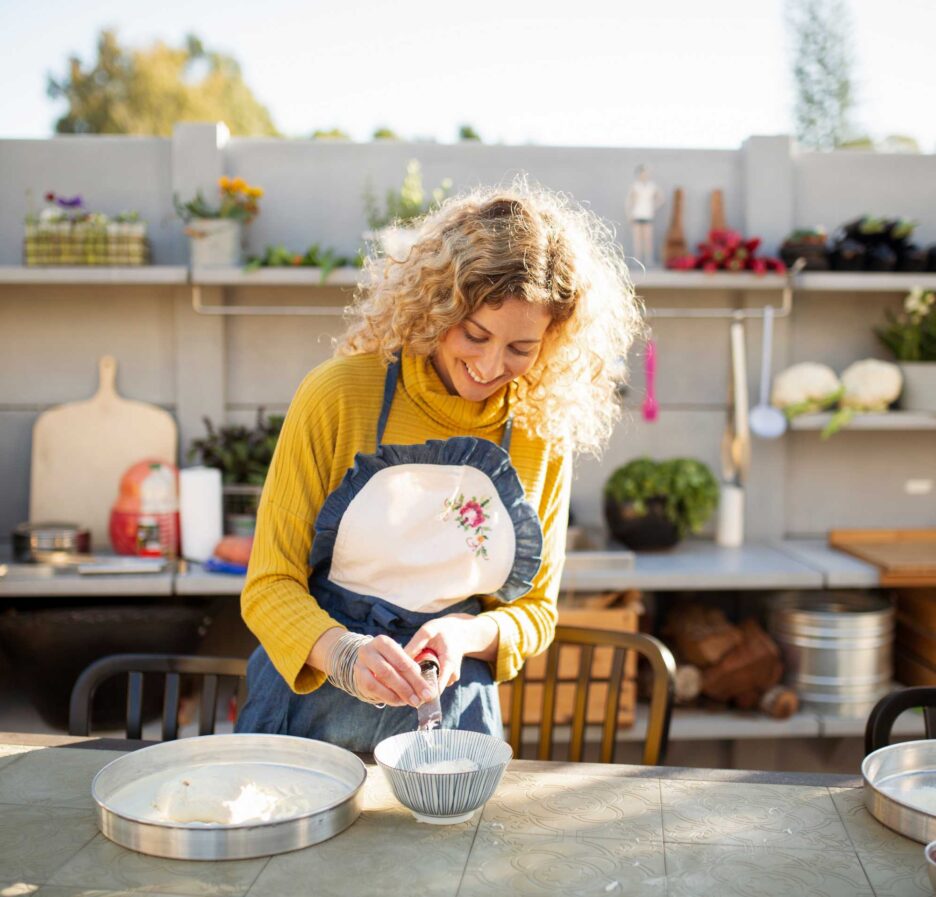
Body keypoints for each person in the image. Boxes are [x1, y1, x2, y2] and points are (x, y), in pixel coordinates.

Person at [234, 180, 643, 752]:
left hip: (453, 718)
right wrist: (345, 653)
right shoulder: (338, 395)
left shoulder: (540, 431)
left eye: (520, 349)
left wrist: (467, 632)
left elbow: (535, 613)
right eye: (474, 334)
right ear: (437, 305)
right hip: (310, 713)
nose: (489, 365)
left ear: (551, 342)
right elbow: (268, 587)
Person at [626, 164, 665, 267]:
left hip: (648, 215)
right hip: (637, 214)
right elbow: (629, 201)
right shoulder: (635, 186)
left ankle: (648, 261)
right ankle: (637, 260)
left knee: (648, 239)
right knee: (637, 240)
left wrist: (654, 207)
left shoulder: (652, 186)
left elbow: (661, 199)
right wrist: (629, 214)